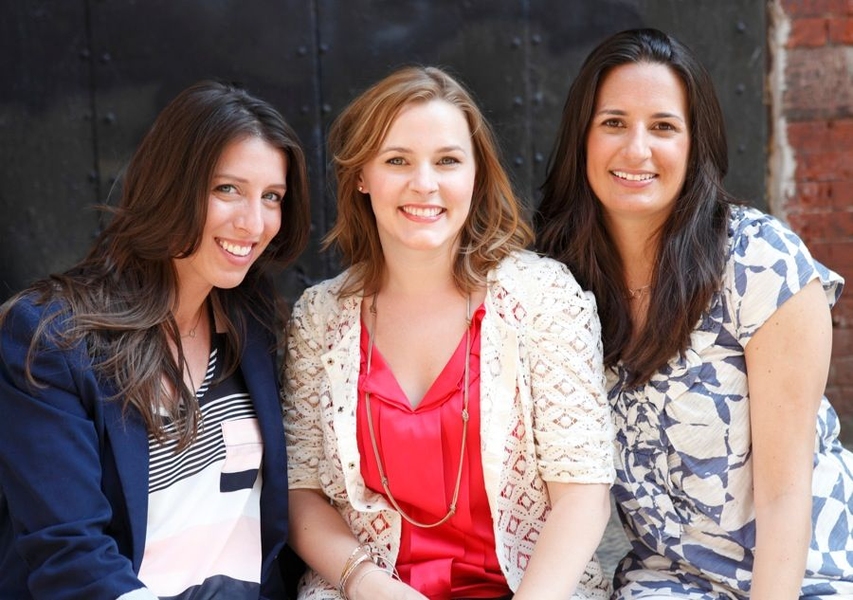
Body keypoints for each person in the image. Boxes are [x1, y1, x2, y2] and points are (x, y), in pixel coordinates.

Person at [536, 27, 853, 599]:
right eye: (613, 123)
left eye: (663, 126)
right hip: (671, 577)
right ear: (581, 138)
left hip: (810, 569)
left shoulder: (759, 261)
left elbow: (786, 496)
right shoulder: (556, 281)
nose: (637, 149)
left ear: (694, 144)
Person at [282, 65, 615, 600]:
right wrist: (367, 583)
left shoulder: (542, 298)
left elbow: (583, 495)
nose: (425, 184)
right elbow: (301, 492)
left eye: (447, 161)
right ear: (362, 175)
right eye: (397, 160)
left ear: (475, 175)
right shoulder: (319, 318)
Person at [0, 80, 311, 599]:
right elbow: (69, 553)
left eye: (271, 197)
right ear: (171, 186)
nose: (254, 223)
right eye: (227, 189)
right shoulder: (53, 337)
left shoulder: (250, 317)